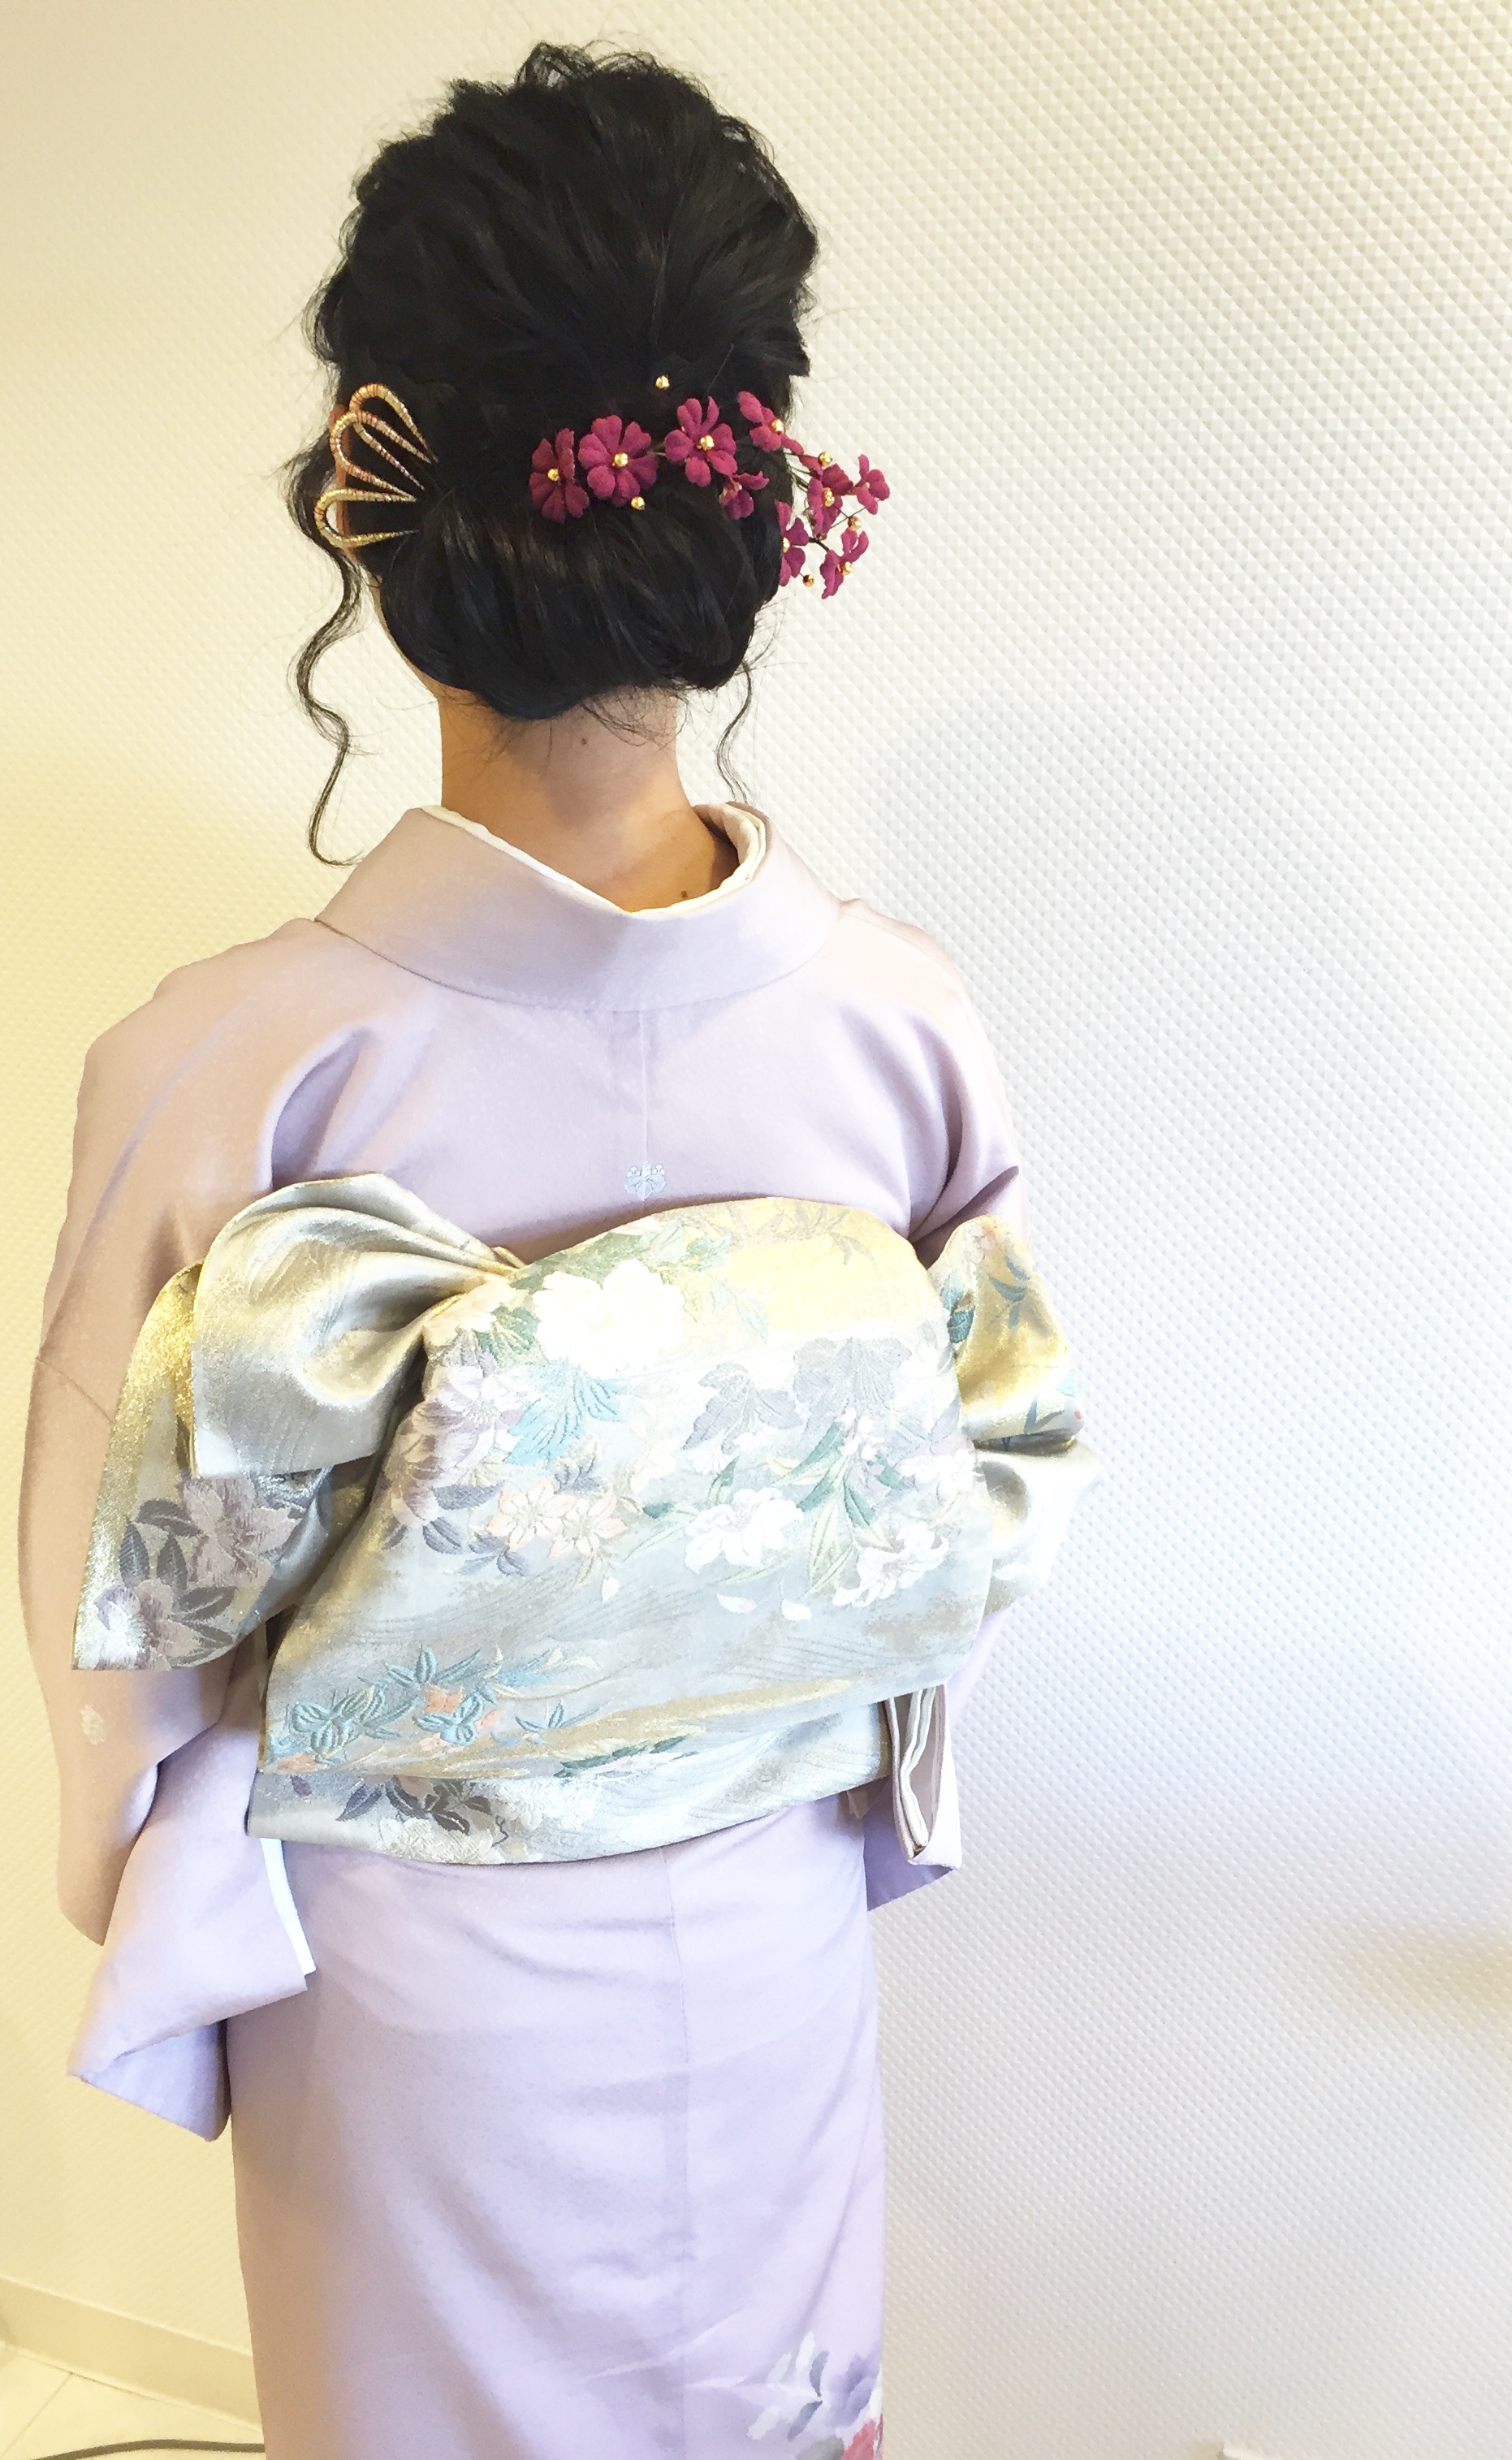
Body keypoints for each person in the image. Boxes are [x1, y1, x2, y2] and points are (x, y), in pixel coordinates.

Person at [19, 45, 1101, 2460]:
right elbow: (980, 1518)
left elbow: (122, 1665)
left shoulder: (228, 1070)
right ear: (747, 503)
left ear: (369, 496)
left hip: (407, 2009)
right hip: (770, 1939)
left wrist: (173, 1881)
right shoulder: (904, 1025)